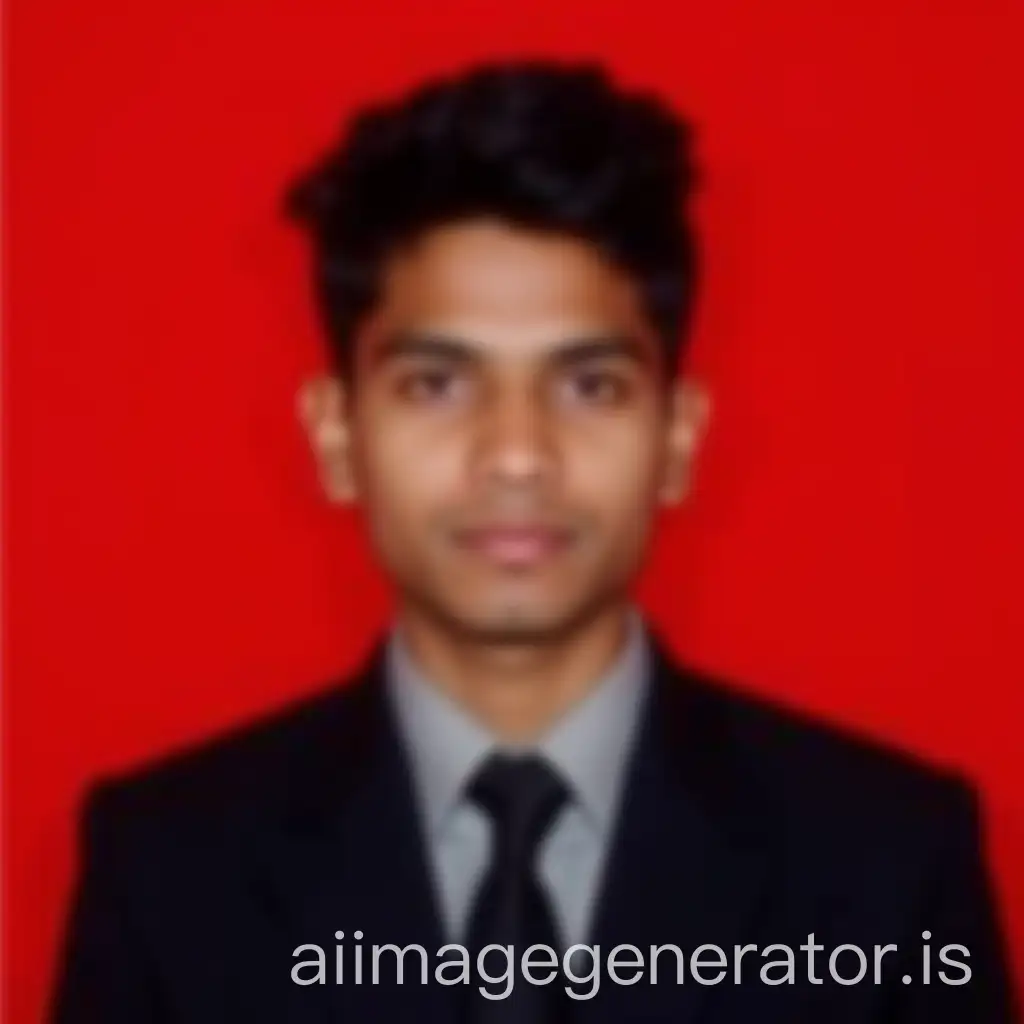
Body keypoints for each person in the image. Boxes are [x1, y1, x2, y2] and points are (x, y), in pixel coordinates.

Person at [51, 61, 1016, 1023]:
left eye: (589, 385)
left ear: (678, 440)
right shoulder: (167, 874)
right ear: (336, 438)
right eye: (437, 384)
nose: (517, 455)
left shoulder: (889, 868)